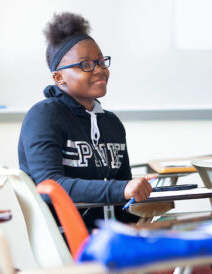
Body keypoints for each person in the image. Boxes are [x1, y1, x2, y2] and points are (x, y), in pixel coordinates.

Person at [18, 12, 152, 228]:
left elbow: (124, 193)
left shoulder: (112, 123)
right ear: (59, 77)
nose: (99, 70)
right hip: (72, 238)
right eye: (85, 65)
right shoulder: (44, 116)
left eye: (101, 62)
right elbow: (49, 187)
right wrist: (121, 189)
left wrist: (148, 203)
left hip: (114, 233)